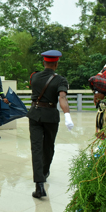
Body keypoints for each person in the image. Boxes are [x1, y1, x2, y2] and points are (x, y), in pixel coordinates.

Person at [28, 50, 74, 199]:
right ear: (56, 63)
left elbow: (33, 89)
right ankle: (45, 172)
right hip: (50, 116)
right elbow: (62, 97)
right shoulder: (60, 80)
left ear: (44, 62)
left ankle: (39, 185)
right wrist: (67, 114)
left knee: (36, 148)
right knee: (48, 146)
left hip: (35, 114)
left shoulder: (34, 77)